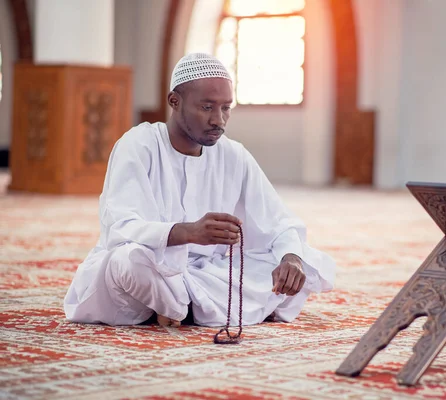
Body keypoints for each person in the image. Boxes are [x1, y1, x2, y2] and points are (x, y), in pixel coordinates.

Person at [63, 53, 336, 328]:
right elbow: (120, 227)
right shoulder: (139, 144)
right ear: (174, 101)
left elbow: (277, 220)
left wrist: (290, 258)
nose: (219, 120)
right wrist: (187, 232)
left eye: (226, 108)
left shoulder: (233, 154)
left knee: (304, 261)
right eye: (207, 107)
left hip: (208, 275)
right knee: (127, 261)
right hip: (153, 266)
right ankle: (193, 307)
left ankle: (178, 307)